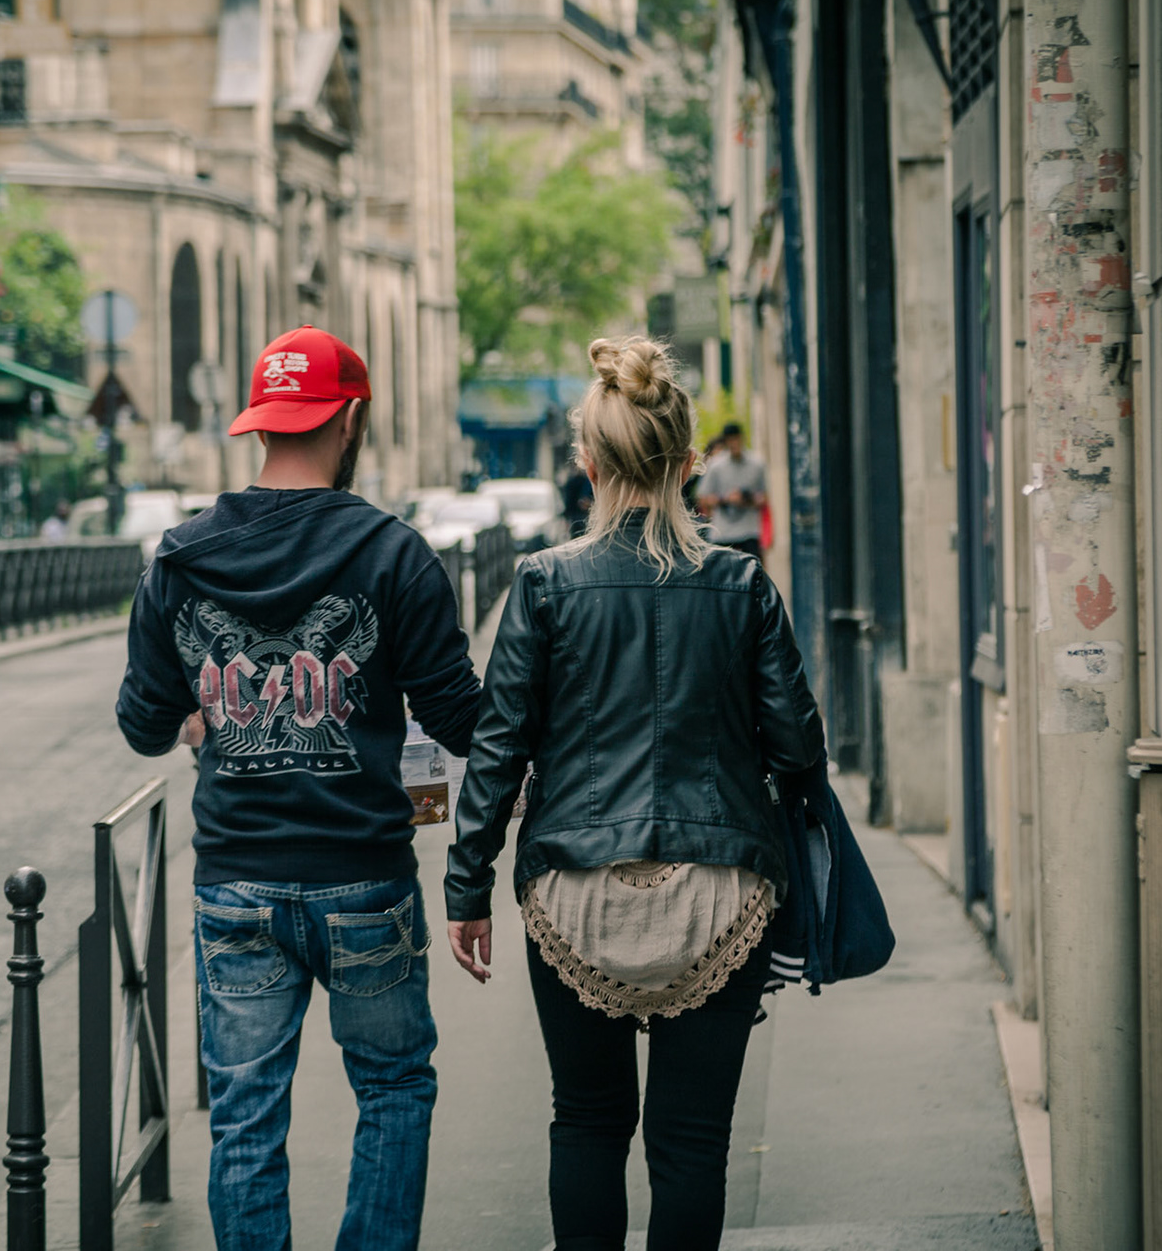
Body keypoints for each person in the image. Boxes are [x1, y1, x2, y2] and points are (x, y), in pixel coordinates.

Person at [443, 337, 824, 1251]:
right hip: (723, 886)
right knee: (692, 1145)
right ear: (690, 464)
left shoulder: (542, 584)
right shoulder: (741, 585)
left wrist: (467, 888)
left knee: (586, 1122)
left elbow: (498, 751)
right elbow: (801, 747)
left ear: (589, 464)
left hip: (573, 888)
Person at [117, 324, 483, 1251]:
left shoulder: (179, 558)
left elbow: (141, 723)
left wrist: (209, 712)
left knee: (244, 1118)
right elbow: (460, 720)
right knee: (395, 1090)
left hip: (234, 881)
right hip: (365, 876)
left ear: (261, 424)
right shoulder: (395, 554)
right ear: (349, 417)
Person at [695, 422, 768, 560]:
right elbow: (703, 498)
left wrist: (748, 499)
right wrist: (726, 499)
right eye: (730, 440)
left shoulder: (757, 464)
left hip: (749, 531)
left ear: (742, 438)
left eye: (736, 439)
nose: (734, 443)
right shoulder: (716, 465)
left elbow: (764, 498)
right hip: (723, 532)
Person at [561, 465, 595, 537]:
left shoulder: (587, 482)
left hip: (583, 515)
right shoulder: (574, 482)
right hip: (577, 515)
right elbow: (568, 501)